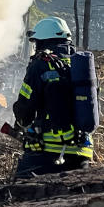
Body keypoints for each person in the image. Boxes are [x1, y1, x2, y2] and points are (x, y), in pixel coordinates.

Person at [12, 16, 95, 178]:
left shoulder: (41, 65)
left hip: (48, 153)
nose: (36, 47)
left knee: (16, 194)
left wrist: (21, 124)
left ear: (43, 42)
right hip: (82, 152)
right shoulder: (81, 65)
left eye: (36, 43)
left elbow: (25, 109)